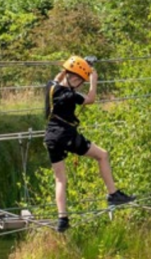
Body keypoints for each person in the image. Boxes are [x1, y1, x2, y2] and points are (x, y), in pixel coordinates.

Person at [44, 55, 134, 233]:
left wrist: (81, 65)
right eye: (81, 81)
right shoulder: (70, 95)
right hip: (66, 135)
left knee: (60, 178)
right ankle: (113, 193)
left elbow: (60, 76)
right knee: (102, 155)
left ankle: (62, 219)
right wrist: (93, 79)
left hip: (51, 137)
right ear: (75, 79)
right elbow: (91, 99)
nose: (81, 85)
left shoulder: (51, 87)